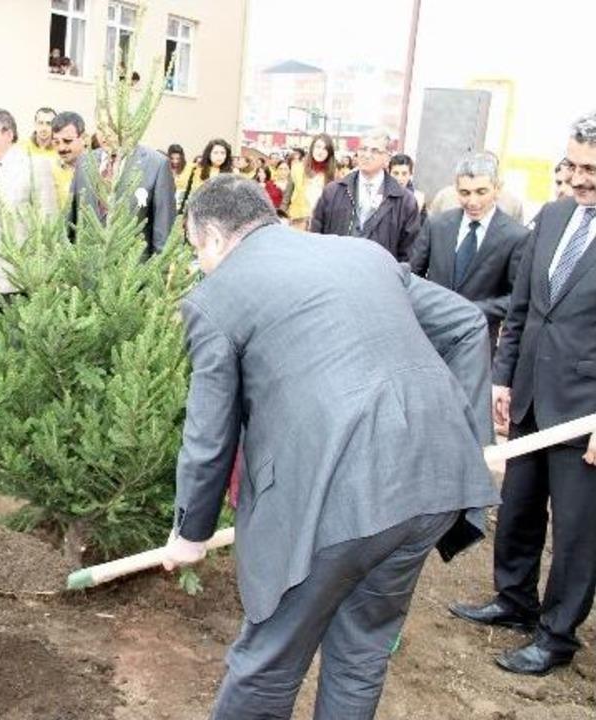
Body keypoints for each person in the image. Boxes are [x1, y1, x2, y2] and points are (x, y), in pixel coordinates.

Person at [162, 174, 499, 718]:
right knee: (361, 651)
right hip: (434, 484)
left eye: (196, 250)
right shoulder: (361, 254)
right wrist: (469, 440)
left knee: (268, 661)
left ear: (215, 238)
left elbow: (208, 435)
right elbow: (465, 323)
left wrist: (190, 532)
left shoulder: (215, 298)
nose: (199, 264)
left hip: (335, 498)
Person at [450, 110, 596, 676]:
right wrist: (504, 376)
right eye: (573, 165)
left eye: (591, 169)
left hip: (584, 415)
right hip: (533, 395)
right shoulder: (555, 216)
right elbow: (524, 309)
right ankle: (515, 601)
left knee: (579, 531)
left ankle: (557, 635)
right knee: (519, 507)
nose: (580, 178)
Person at [408, 151, 530, 351]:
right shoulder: (437, 225)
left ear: (497, 189)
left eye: (481, 192)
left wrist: (472, 310)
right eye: (465, 193)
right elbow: (413, 276)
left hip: (477, 343)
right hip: (428, 338)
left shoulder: (516, 236)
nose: (472, 201)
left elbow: (516, 297)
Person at [0, 107, 58, 299]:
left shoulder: (35, 166)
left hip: (19, 274)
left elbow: (49, 223)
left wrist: (46, 272)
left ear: (8, 134)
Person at [311, 128, 422, 262]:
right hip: (337, 272)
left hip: (380, 276)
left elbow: (409, 253)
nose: (367, 155)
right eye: (363, 149)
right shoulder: (333, 191)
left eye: (374, 151)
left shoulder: (404, 201)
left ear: (387, 157)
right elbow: (316, 238)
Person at [69, 121, 176, 256]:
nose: (106, 134)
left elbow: (164, 231)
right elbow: (71, 216)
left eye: (112, 126)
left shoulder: (156, 165)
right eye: (101, 127)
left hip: (131, 269)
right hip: (86, 265)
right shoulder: (85, 161)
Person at [287, 133, 336, 230]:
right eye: (318, 147)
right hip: (297, 222)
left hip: (320, 226)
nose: (320, 152)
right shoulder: (297, 168)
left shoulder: (333, 174)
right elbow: (287, 196)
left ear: (329, 153)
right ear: (312, 148)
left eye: (325, 149)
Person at [50, 111, 87, 206]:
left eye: (67, 141)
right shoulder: (50, 171)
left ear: (83, 138)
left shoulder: (101, 169)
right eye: (56, 142)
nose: (61, 148)